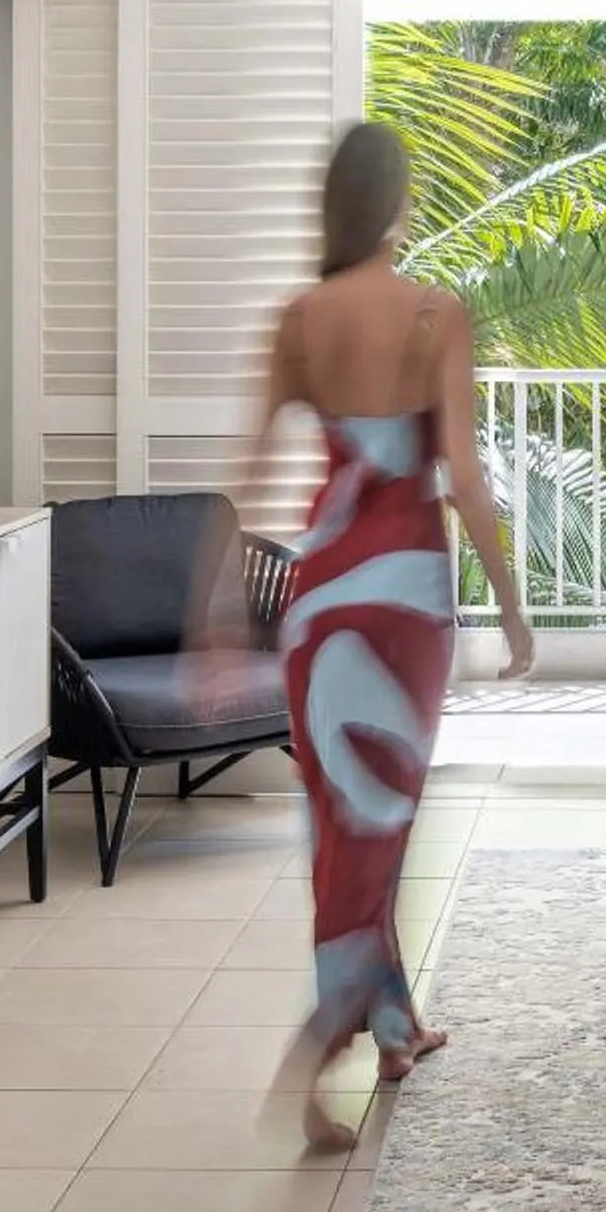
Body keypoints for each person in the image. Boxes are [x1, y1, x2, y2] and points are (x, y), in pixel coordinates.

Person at [235, 120, 531, 1150]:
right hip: (403, 599)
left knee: (348, 825)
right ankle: (319, 1050)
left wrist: (202, 622)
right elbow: (461, 474)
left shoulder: (298, 318)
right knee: (377, 826)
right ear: (396, 207)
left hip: (316, 601)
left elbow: (248, 475)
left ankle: (393, 1024)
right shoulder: (431, 315)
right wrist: (508, 597)